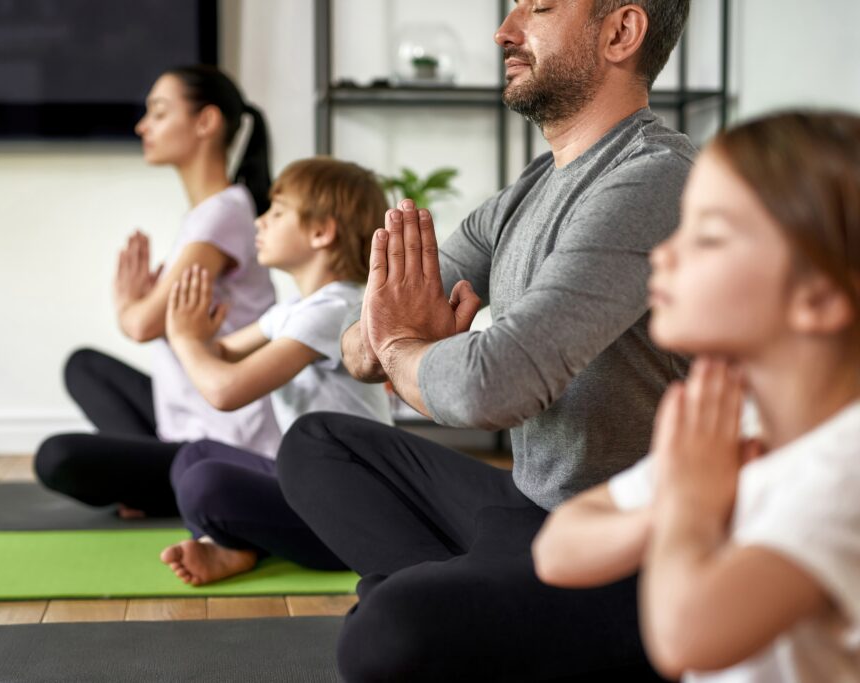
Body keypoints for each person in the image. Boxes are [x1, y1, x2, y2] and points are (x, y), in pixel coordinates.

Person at [277, 1, 695, 681]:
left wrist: (409, 351)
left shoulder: (655, 181)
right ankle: (478, 607)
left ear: (620, 32)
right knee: (317, 445)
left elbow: (493, 385)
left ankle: (452, 605)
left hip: (629, 552)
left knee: (382, 635)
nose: (505, 30)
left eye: (539, 8)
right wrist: (398, 344)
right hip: (526, 511)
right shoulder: (523, 194)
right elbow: (359, 344)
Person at [533, 111, 860, 683]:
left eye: (708, 236)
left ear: (819, 297)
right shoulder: (740, 427)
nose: (663, 253)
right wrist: (669, 508)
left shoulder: (843, 469)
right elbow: (557, 550)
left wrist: (690, 508)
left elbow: (686, 634)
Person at [34, 65, 281, 518]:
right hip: (184, 418)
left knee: (57, 457)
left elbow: (144, 323)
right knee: (85, 367)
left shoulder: (223, 212)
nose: (142, 126)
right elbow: (157, 319)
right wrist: (145, 305)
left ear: (205, 122)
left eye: (159, 113)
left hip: (224, 440)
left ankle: (166, 486)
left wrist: (129, 302)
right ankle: (158, 483)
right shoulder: (209, 213)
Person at [157, 157, 393, 585]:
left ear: (321, 232)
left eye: (277, 212)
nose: (260, 223)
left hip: (349, 512)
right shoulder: (293, 310)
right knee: (193, 456)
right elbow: (223, 353)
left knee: (205, 485)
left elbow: (226, 390)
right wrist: (196, 335)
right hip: (304, 482)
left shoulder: (336, 308)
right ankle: (232, 546)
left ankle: (231, 543)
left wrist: (185, 340)